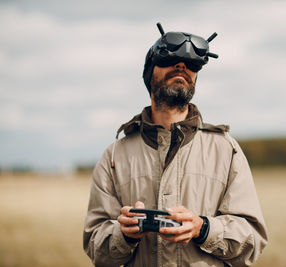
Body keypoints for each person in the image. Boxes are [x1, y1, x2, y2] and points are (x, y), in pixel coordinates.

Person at [83, 23, 268, 267]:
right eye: (171, 60)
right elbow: (96, 248)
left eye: (191, 65)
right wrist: (124, 234)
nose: (182, 66)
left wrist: (203, 229)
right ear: (150, 73)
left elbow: (253, 241)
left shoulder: (226, 150)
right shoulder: (115, 156)